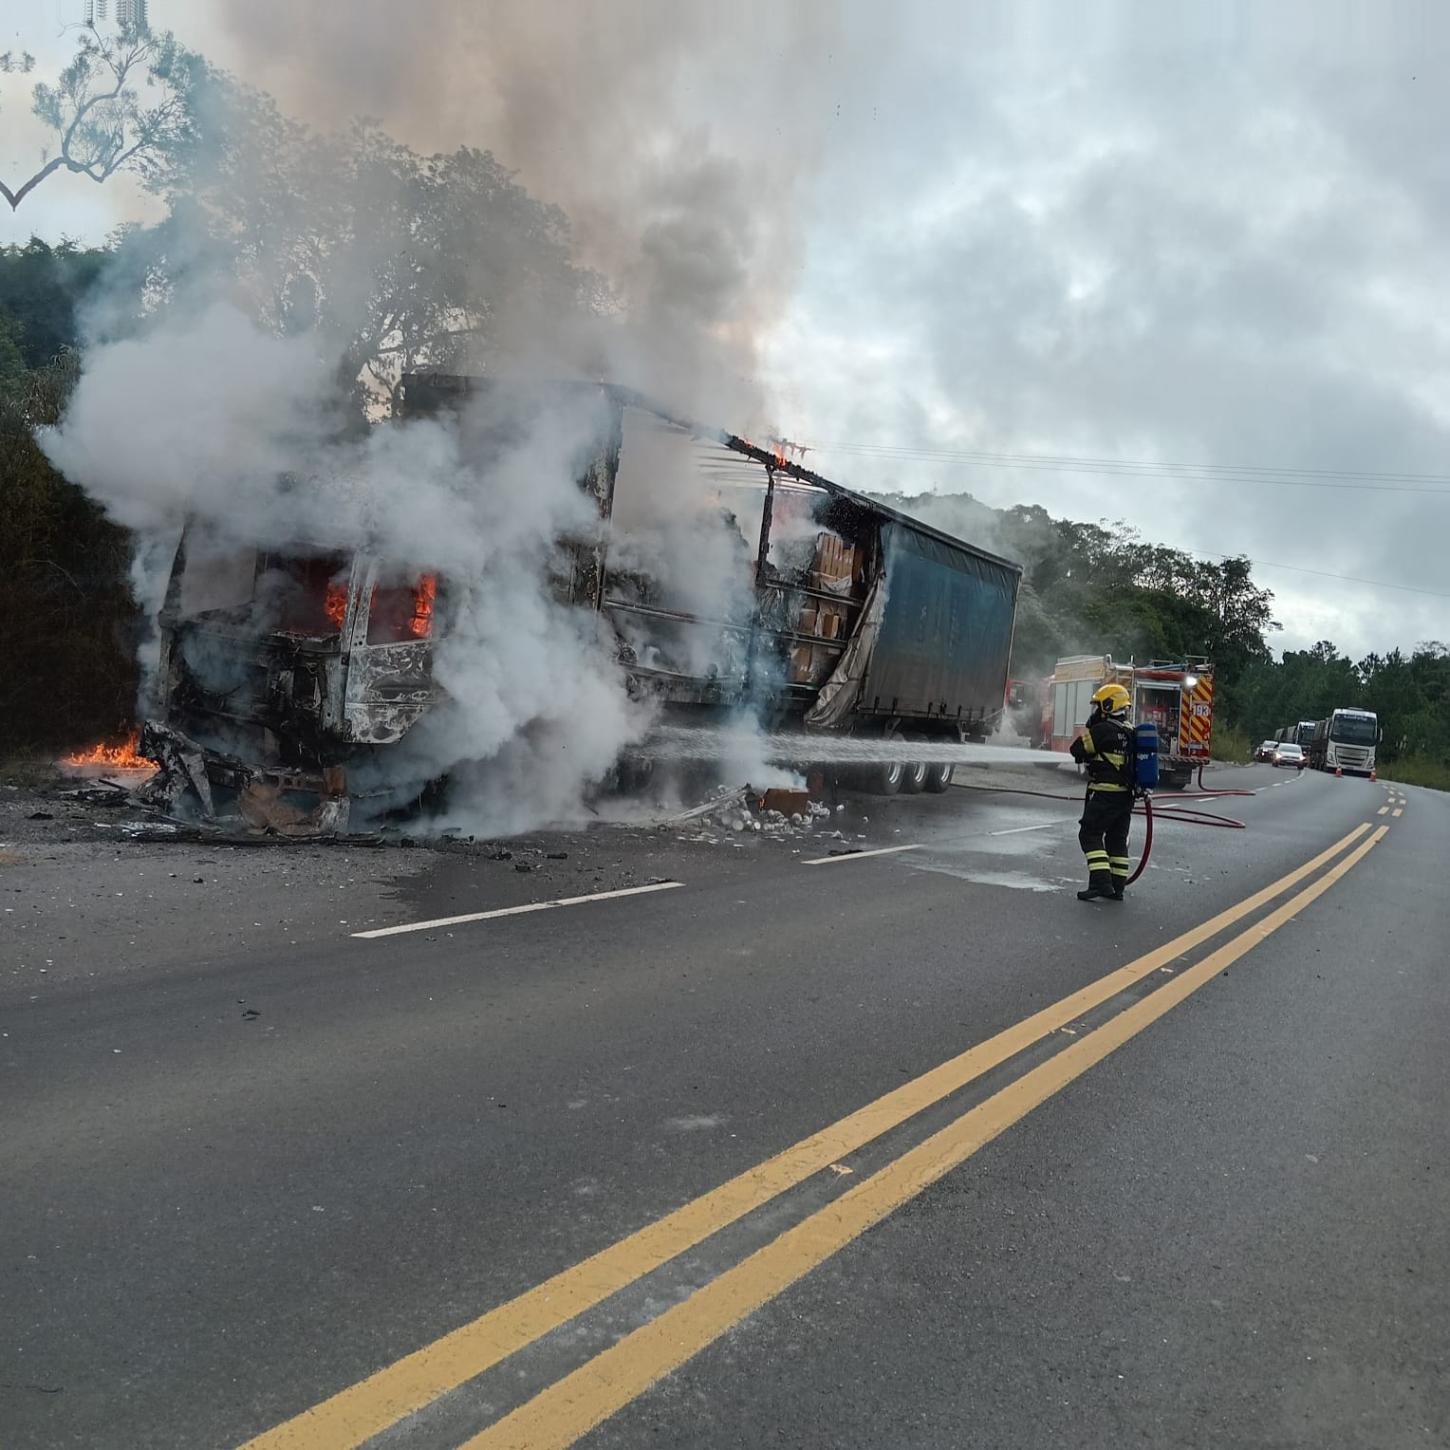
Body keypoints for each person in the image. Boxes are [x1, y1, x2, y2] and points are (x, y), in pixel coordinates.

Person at [1069, 682, 1135, 902]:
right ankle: (1118, 887)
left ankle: (1100, 882)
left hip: (1105, 794)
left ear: (1109, 705)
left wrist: (1091, 730)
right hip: (1126, 797)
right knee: (1117, 839)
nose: (1096, 711)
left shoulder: (1103, 730)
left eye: (1099, 706)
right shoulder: (1131, 731)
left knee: (1089, 833)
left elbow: (1076, 749)